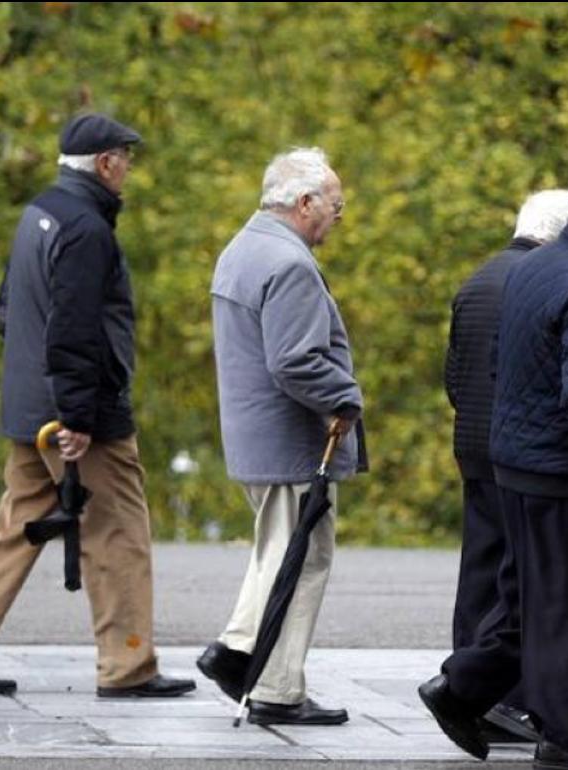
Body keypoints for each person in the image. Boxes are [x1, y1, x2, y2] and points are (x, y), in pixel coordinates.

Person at [0, 113, 195, 699]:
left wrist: (39, 393)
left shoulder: (39, 213)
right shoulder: (88, 230)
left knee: (17, 526)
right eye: (126, 157)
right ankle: (128, 667)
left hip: (29, 406)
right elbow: (74, 330)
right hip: (75, 415)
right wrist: (77, 416)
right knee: (118, 532)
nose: (129, 169)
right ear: (104, 163)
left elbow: (8, 309)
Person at [419, 165, 568, 770]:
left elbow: (499, 367)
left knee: (528, 600)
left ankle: (460, 689)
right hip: (559, 475)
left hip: (513, 468)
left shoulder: (530, 271)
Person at [197, 146, 366, 727]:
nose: (338, 217)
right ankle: (273, 684)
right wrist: (345, 397)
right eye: (336, 205)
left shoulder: (242, 248)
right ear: (304, 202)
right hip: (291, 441)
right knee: (302, 558)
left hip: (256, 437)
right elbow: (295, 361)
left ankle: (241, 653)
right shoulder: (288, 263)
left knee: (278, 552)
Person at [443, 189, 568, 744]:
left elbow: (454, 372)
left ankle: (465, 689)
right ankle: (500, 699)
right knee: (520, 579)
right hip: (517, 453)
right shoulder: (538, 283)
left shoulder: (477, 279)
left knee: (479, 572)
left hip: (472, 443)